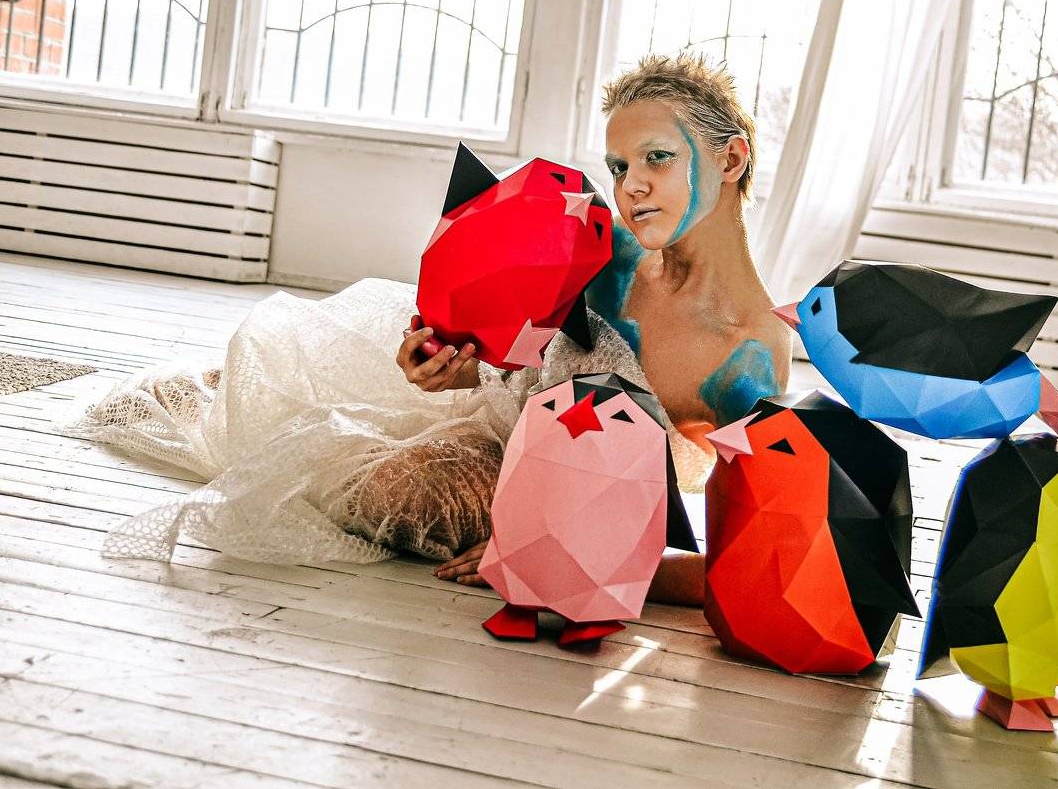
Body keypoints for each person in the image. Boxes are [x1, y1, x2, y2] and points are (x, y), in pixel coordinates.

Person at [66, 53, 789, 608]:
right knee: (246, 395)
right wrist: (456, 364)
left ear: (730, 158)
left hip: (572, 484)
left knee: (397, 493)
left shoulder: (745, 356)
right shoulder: (611, 252)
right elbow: (520, 352)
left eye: (657, 157)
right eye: (619, 165)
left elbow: (737, 565)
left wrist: (561, 549)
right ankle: (241, 394)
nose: (630, 185)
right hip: (502, 420)